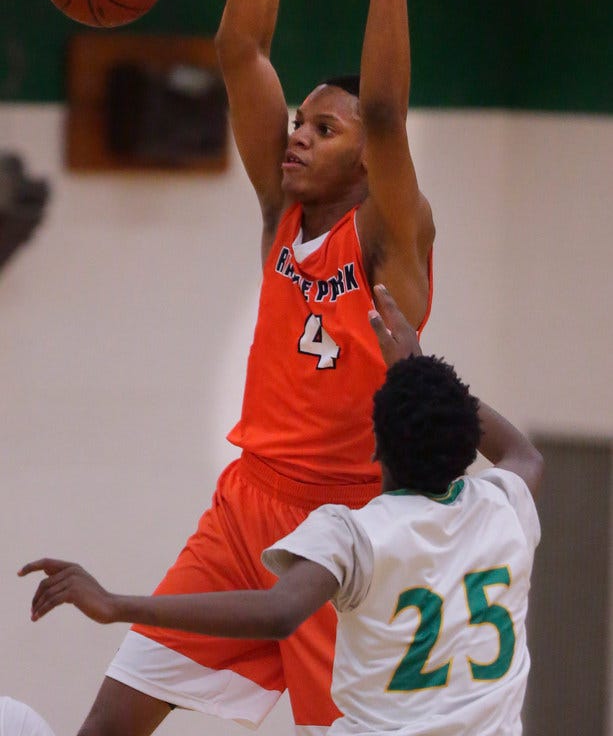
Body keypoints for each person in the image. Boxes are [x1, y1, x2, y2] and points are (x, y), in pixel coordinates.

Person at [31, 0, 434, 736]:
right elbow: (239, 48)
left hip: (344, 530)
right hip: (244, 502)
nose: (296, 138)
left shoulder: (389, 243)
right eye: (299, 123)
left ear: (364, 157)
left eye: (320, 130)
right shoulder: (278, 215)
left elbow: (386, 112)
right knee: (107, 725)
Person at [21, 286, 543, 736]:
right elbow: (524, 453)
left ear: (375, 449)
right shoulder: (501, 509)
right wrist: (419, 372)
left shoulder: (355, 533)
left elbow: (277, 614)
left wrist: (117, 605)